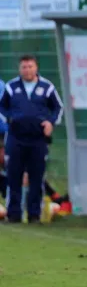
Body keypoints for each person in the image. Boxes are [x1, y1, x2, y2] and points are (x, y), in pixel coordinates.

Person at [0, 55, 63, 223]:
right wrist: (10, 120)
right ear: (19, 69)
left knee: (36, 177)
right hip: (16, 138)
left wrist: (50, 122)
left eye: (30, 66)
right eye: (24, 67)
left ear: (36, 68)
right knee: (13, 176)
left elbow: (58, 107)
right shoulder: (11, 87)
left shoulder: (47, 87)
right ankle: (14, 214)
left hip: (37, 140)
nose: (27, 70)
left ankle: (34, 214)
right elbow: (2, 106)